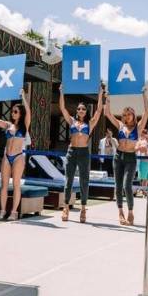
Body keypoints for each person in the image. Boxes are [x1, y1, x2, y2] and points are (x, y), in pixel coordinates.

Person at [104, 86, 148, 226]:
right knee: (118, 186)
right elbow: (107, 113)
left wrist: (144, 94)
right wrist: (108, 97)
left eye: (128, 114)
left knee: (127, 185)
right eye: (124, 115)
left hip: (131, 158)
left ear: (133, 115)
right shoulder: (120, 125)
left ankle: (130, 211)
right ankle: (120, 212)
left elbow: (147, 111)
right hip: (118, 157)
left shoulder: (138, 128)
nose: (126, 117)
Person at [59, 85, 104, 223]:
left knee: (85, 181)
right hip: (72, 152)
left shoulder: (90, 124)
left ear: (86, 111)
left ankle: (83, 209)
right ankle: (65, 207)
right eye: (79, 109)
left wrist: (101, 94)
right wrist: (61, 92)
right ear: (77, 111)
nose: (81, 110)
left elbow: (99, 110)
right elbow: (62, 108)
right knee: (68, 181)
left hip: (84, 152)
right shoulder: (72, 121)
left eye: (83, 109)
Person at [0, 86, 32, 220]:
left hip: (18, 157)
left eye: (16, 111)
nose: (13, 113)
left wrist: (23, 97)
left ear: (20, 113)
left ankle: (13, 212)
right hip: (7, 156)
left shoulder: (24, 126)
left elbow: (29, 112)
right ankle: (2, 211)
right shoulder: (8, 125)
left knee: (16, 184)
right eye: (12, 111)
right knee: (4, 184)